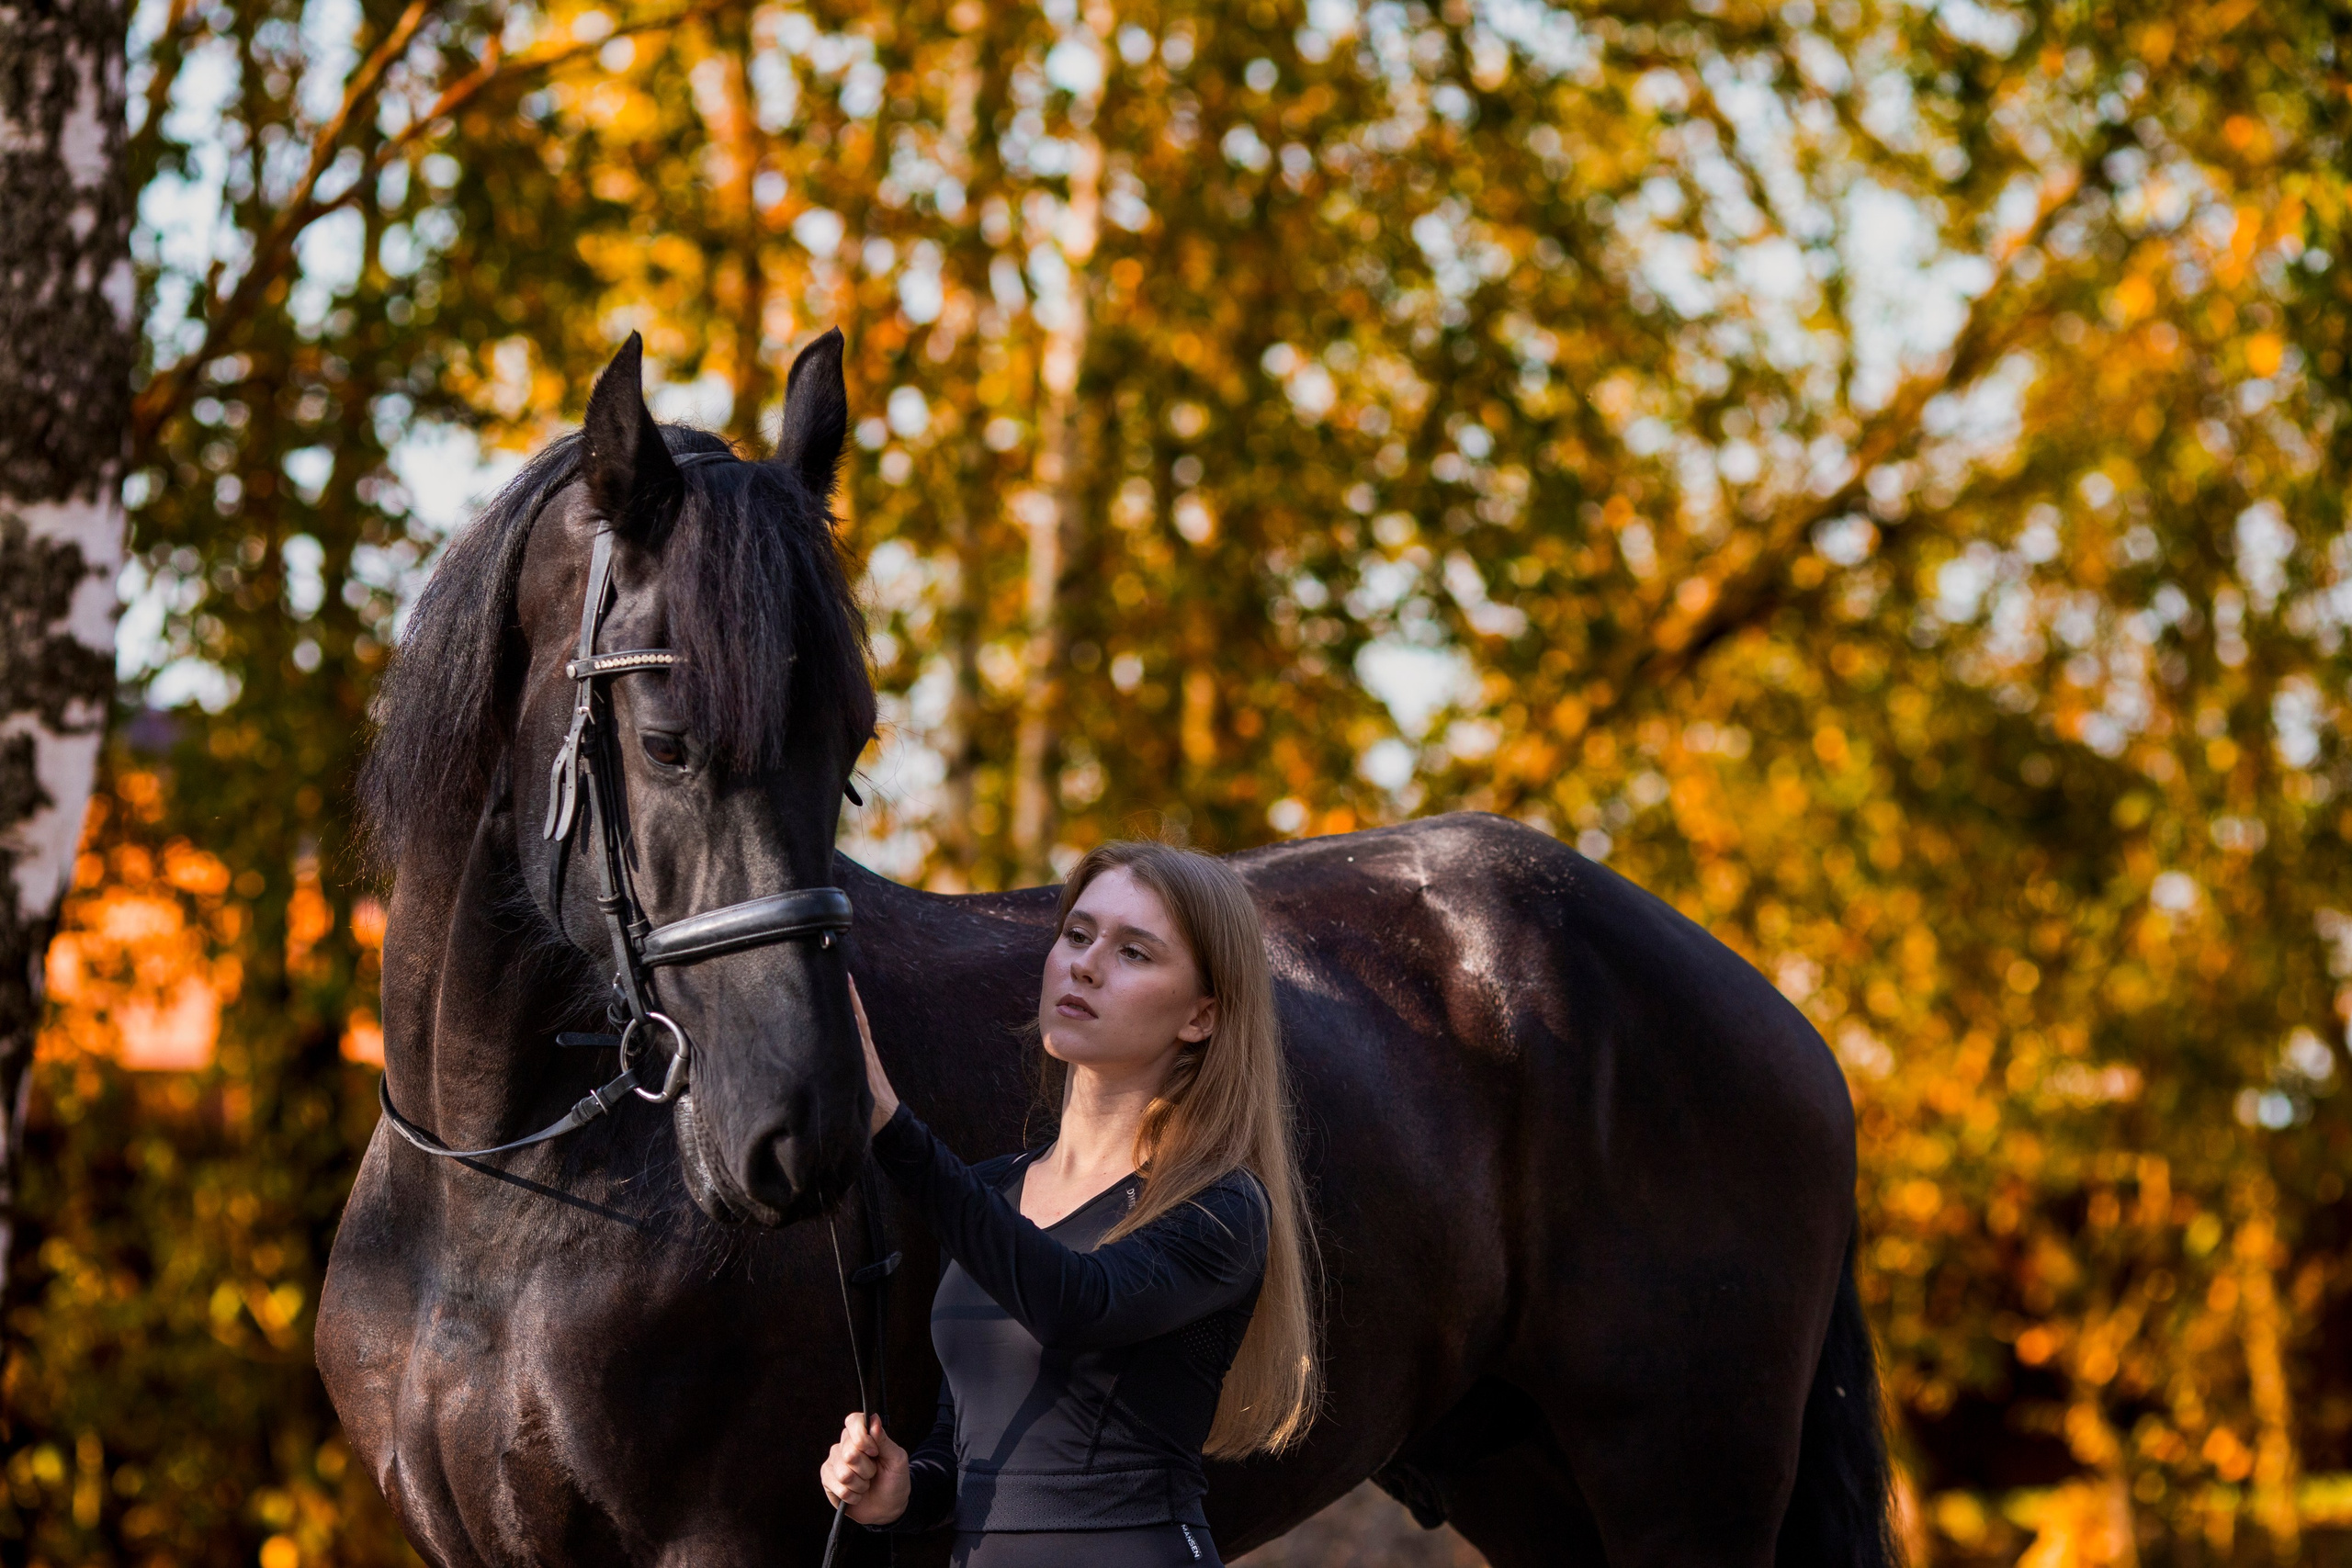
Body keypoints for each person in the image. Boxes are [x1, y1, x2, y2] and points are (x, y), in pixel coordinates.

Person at [820, 840, 1320, 1568]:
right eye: (1078, 935)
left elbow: (1074, 1305)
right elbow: (965, 1446)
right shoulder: (993, 1194)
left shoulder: (1220, 1206)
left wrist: (892, 1128)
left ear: (1201, 1017)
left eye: (1135, 953)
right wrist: (903, 1491)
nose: (1084, 962)